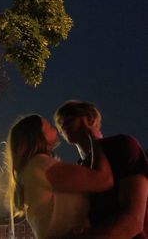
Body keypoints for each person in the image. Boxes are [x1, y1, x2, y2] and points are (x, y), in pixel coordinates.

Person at [6, 114, 114, 239]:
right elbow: (103, 180)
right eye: (49, 126)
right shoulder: (40, 164)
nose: (55, 129)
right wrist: (93, 136)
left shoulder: (30, 169)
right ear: (37, 135)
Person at [54, 100, 148, 239]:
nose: (62, 124)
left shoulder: (121, 146)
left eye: (68, 118)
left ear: (89, 118)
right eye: (59, 123)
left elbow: (133, 220)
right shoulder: (79, 169)